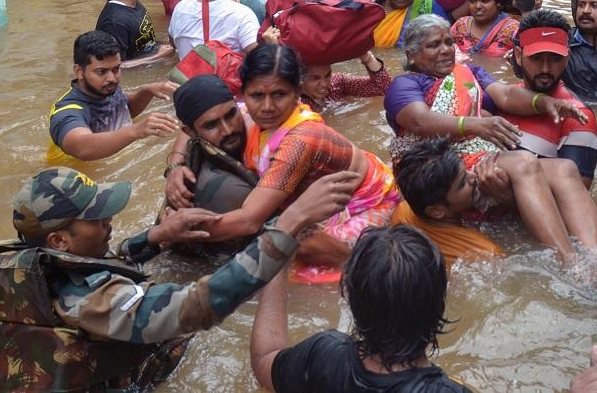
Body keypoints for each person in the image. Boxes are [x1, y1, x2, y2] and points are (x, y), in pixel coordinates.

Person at [0, 164, 354, 392]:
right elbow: (194, 307)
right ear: (59, 239)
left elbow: (89, 268)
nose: (109, 221)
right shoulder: (90, 303)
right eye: (96, 218)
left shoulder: (27, 265)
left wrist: (154, 238)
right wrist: (288, 225)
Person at [383, 15, 597, 264]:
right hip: (441, 168)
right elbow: (420, 121)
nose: (445, 50)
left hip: (480, 156)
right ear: (412, 55)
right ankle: (572, 264)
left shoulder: (467, 71)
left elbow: (507, 95)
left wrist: (546, 103)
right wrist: (477, 125)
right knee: (523, 162)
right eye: (433, 45)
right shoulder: (404, 84)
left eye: (448, 42)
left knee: (565, 168)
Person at [173, 47, 401, 269]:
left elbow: (249, 221)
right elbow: (191, 128)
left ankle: (357, 265)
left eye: (279, 94)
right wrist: (175, 166)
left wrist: (176, 232)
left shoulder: (300, 140)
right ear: (243, 95)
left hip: (368, 202)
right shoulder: (239, 114)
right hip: (321, 194)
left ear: (297, 92)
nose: (267, 107)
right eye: (256, 96)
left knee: (297, 243)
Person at [251, 226, 471, 393]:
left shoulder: (324, 357)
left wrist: (277, 262)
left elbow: (264, 360)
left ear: (348, 294)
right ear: (440, 302)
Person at [46, 31, 178, 164]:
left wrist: (147, 91)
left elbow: (125, 110)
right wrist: (135, 131)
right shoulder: (67, 111)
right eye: (101, 71)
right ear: (79, 71)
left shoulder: (103, 89)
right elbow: (82, 148)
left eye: (116, 69)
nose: (112, 78)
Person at [504, 9, 597, 184]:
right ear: (518, 55)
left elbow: (575, 194)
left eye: (555, 59)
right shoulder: (503, 99)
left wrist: (503, 190)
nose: (546, 69)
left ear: (567, 58)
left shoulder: (578, 118)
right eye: (536, 58)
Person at [390, 139, 505, 267]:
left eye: (466, 170)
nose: (473, 176)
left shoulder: (401, 212)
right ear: (436, 211)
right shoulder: (485, 254)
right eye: (462, 184)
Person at [450, 0, 519, 57]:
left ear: (498, 3)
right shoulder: (460, 25)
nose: (478, 6)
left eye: (484, 1)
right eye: (472, 1)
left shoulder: (513, 30)